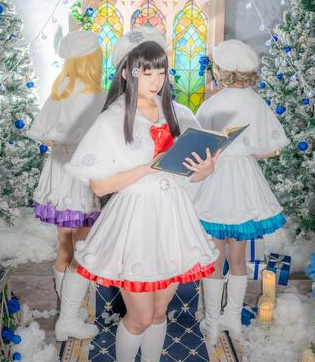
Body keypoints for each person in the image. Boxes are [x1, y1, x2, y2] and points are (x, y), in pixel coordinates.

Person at [64, 27, 220, 361]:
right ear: (127, 73)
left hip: (172, 217)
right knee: (140, 317)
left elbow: (187, 174)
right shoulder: (112, 120)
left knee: (160, 312)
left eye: (160, 72)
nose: (155, 81)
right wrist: (148, 168)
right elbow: (100, 186)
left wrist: (205, 170)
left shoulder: (178, 113)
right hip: (134, 220)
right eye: (146, 73)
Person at [192, 39, 290, 349]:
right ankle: (232, 318)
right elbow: (271, 147)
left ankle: (211, 321)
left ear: (222, 71)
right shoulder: (256, 102)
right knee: (238, 257)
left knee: (214, 255)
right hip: (246, 180)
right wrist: (246, 151)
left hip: (215, 179)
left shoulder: (213, 104)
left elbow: (197, 146)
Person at [27, 30, 106, 339]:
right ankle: (69, 318)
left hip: (59, 172)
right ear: (90, 60)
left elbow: (42, 134)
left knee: (64, 247)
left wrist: (62, 139)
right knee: (82, 248)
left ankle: (67, 311)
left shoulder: (60, 89)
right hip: (82, 173)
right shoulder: (97, 95)